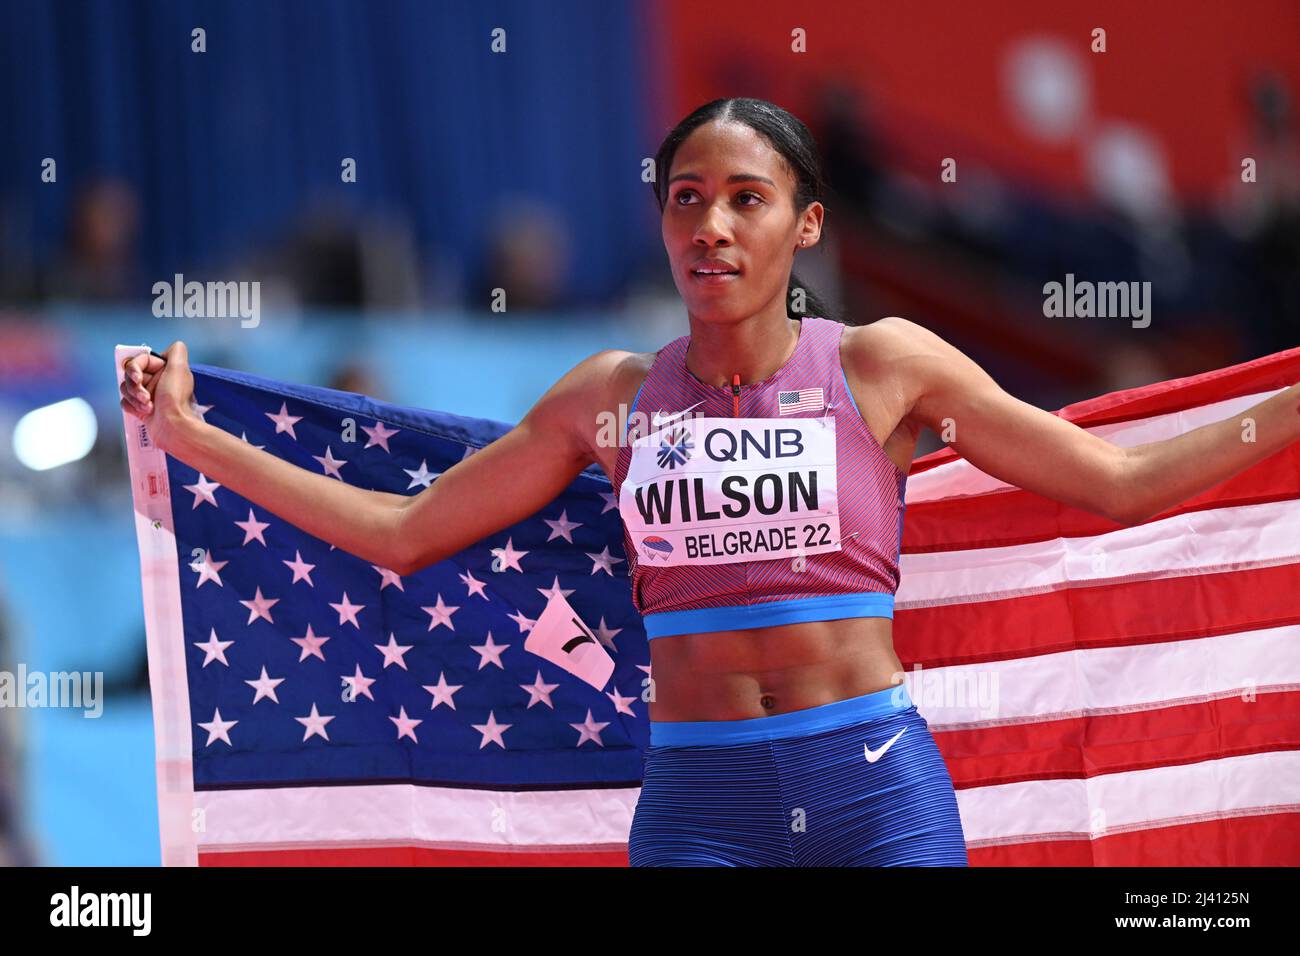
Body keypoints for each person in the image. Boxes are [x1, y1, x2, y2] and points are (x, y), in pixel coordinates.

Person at [120, 97, 1300, 867]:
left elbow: (1122, 484)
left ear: (805, 226)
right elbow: (403, 530)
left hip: (875, 792)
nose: (714, 225)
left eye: (748, 198)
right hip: (700, 805)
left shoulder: (884, 366)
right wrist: (191, 440)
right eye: (688, 197)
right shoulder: (609, 395)